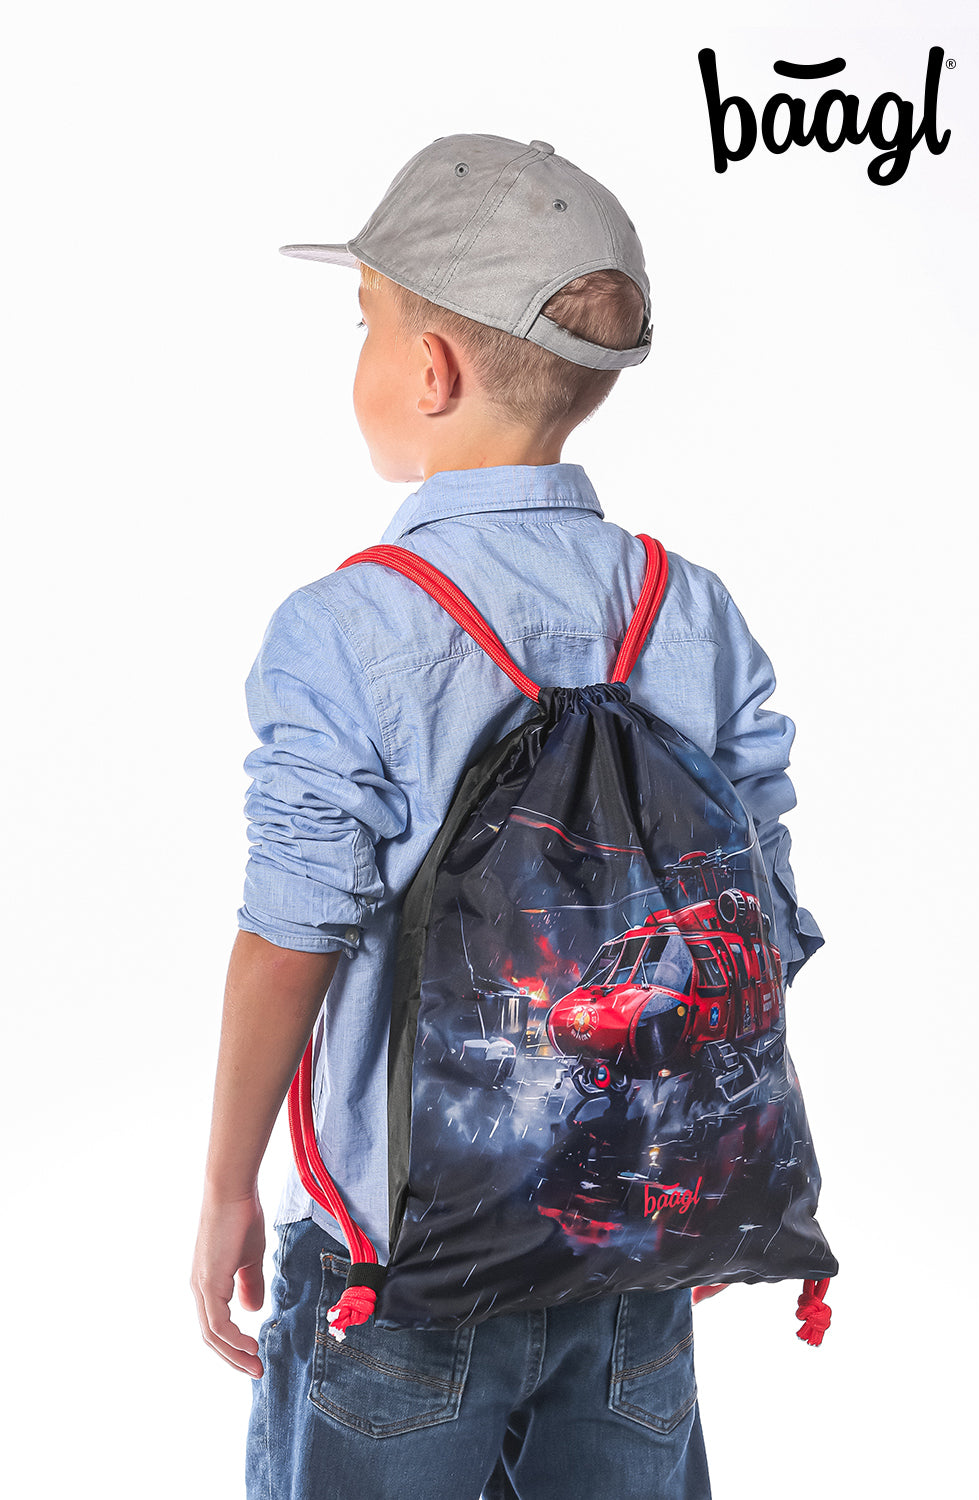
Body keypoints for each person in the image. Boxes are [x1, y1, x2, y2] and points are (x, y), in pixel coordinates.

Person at [191, 133, 822, 1500]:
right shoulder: (689, 608)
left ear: (431, 370)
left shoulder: (347, 627)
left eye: (367, 323)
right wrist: (704, 1162)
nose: (362, 356)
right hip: (631, 1257)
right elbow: (757, 917)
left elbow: (290, 936)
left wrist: (228, 1187)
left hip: (398, 1273)